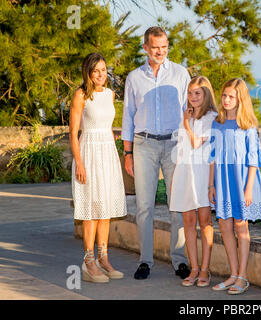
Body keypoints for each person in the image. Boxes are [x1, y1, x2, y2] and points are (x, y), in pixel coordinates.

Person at [121, 26, 191, 280]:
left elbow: (189, 112)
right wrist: (127, 153)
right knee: (144, 206)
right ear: (145, 48)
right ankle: (145, 261)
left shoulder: (181, 74)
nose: (160, 51)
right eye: (155, 47)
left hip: (174, 146)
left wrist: (188, 148)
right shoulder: (134, 77)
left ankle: (180, 260)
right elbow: (128, 115)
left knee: (178, 206)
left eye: (164, 47)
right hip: (144, 145)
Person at [208, 78, 261, 294]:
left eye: (231, 96)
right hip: (222, 181)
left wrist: (248, 188)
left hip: (242, 180)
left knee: (241, 227)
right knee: (224, 226)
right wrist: (211, 185)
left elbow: (253, 159)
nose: (226, 100)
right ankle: (233, 274)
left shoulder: (248, 125)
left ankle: (243, 277)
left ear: (240, 99)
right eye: (224, 95)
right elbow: (213, 157)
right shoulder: (217, 123)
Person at [69, 52, 127, 283]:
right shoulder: (80, 95)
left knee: (105, 209)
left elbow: (107, 126)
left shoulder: (111, 94)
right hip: (89, 153)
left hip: (107, 153)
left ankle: (104, 258)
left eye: (103, 70)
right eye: (96, 71)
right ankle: (88, 261)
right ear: (88, 73)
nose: (101, 74)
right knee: (91, 209)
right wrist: (80, 163)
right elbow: (73, 134)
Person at [169, 76, 218, 287]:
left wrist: (187, 125)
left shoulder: (212, 118)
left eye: (197, 93)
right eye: (190, 93)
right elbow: (181, 149)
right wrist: (174, 179)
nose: (193, 97)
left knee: (205, 222)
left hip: (202, 174)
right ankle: (194, 268)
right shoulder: (186, 116)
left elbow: (197, 144)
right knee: (188, 222)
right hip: (185, 173)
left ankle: (205, 269)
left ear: (206, 94)